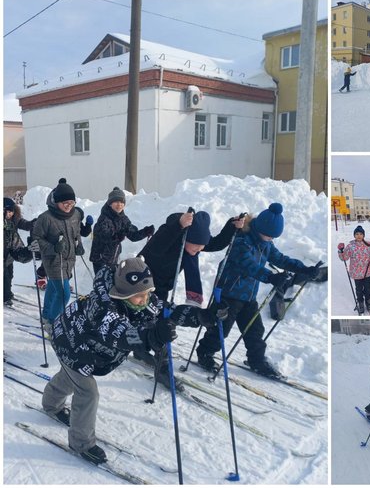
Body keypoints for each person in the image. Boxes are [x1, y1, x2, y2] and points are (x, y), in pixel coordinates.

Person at [41, 256, 219, 465]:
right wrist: (151, 337)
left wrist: (199, 316)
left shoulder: (140, 300)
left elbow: (167, 310)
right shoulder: (102, 308)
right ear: (122, 294)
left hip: (85, 347)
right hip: (70, 343)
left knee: (71, 375)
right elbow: (121, 333)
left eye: (147, 294)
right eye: (139, 296)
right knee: (87, 390)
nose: (145, 300)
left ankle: (50, 404)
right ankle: (81, 443)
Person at [196, 203, 320, 377]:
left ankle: (257, 360)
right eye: (269, 236)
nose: (270, 239)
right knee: (220, 329)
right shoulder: (241, 240)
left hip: (248, 296)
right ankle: (205, 353)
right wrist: (271, 277)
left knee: (255, 330)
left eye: (272, 237)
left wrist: (304, 269)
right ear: (260, 228)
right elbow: (249, 266)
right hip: (228, 293)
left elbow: (280, 259)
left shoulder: (265, 243)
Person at [138, 209, 245, 385]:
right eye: (196, 246)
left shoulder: (194, 241)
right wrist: (178, 225)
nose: (199, 249)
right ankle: (162, 365)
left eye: (202, 247)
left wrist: (231, 227)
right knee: (159, 322)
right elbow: (156, 246)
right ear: (185, 236)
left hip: (163, 286)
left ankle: (145, 347)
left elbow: (217, 243)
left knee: (156, 320)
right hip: (142, 284)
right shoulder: (170, 237)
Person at [32, 179, 84, 331]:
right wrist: (53, 247)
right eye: (64, 202)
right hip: (53, 260)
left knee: (54, 289)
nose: (69, 205)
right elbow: (36, 239)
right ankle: (53, 323)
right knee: (63, 294)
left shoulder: (75, 215)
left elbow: (77, 233)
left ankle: (46, 315)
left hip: (69, 260)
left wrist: (79, 246)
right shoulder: (45, 218)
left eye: (71, 202)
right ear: (56, 202)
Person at [89, 187, 154, 274]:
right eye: (116, 202)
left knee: (112, 285)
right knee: (103, 285)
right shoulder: (104, 219)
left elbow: (133, 235)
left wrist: (145, 232)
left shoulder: (123, 219)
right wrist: (116, 236)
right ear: (110, 203)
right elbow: (104, 235)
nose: (119, 204)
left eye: (122, 202)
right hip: (100, 259)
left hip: (113, 259)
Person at [35, 206, 94, 290]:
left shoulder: (77, 223)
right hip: (58, 246)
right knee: (51, 263)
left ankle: (64, 282)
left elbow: (84, 233)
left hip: (70, 249)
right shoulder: (59, 220)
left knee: (67, 266)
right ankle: (40, 276)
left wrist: (88, 225)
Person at [3, 197, 37, 305]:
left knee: (10, 274)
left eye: (11, 212)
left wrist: (33, 224)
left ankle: (6, 292)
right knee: (5, 276)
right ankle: (5, 295)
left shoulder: (13, 220)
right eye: (7, 212)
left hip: (8, 255)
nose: (10, 214)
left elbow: (24, 224)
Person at [337, 225, 370, 314]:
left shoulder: (368, 244)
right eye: (357, 234)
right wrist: (340, 251)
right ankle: (360, 302)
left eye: (361, 234)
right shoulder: (350, 246)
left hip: (367, 271)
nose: (359, 236)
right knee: (359, 289)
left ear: (363, 235)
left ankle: (368, 301)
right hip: (356, 273)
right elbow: (344, 258)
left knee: (367, 288)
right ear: (354, 235)